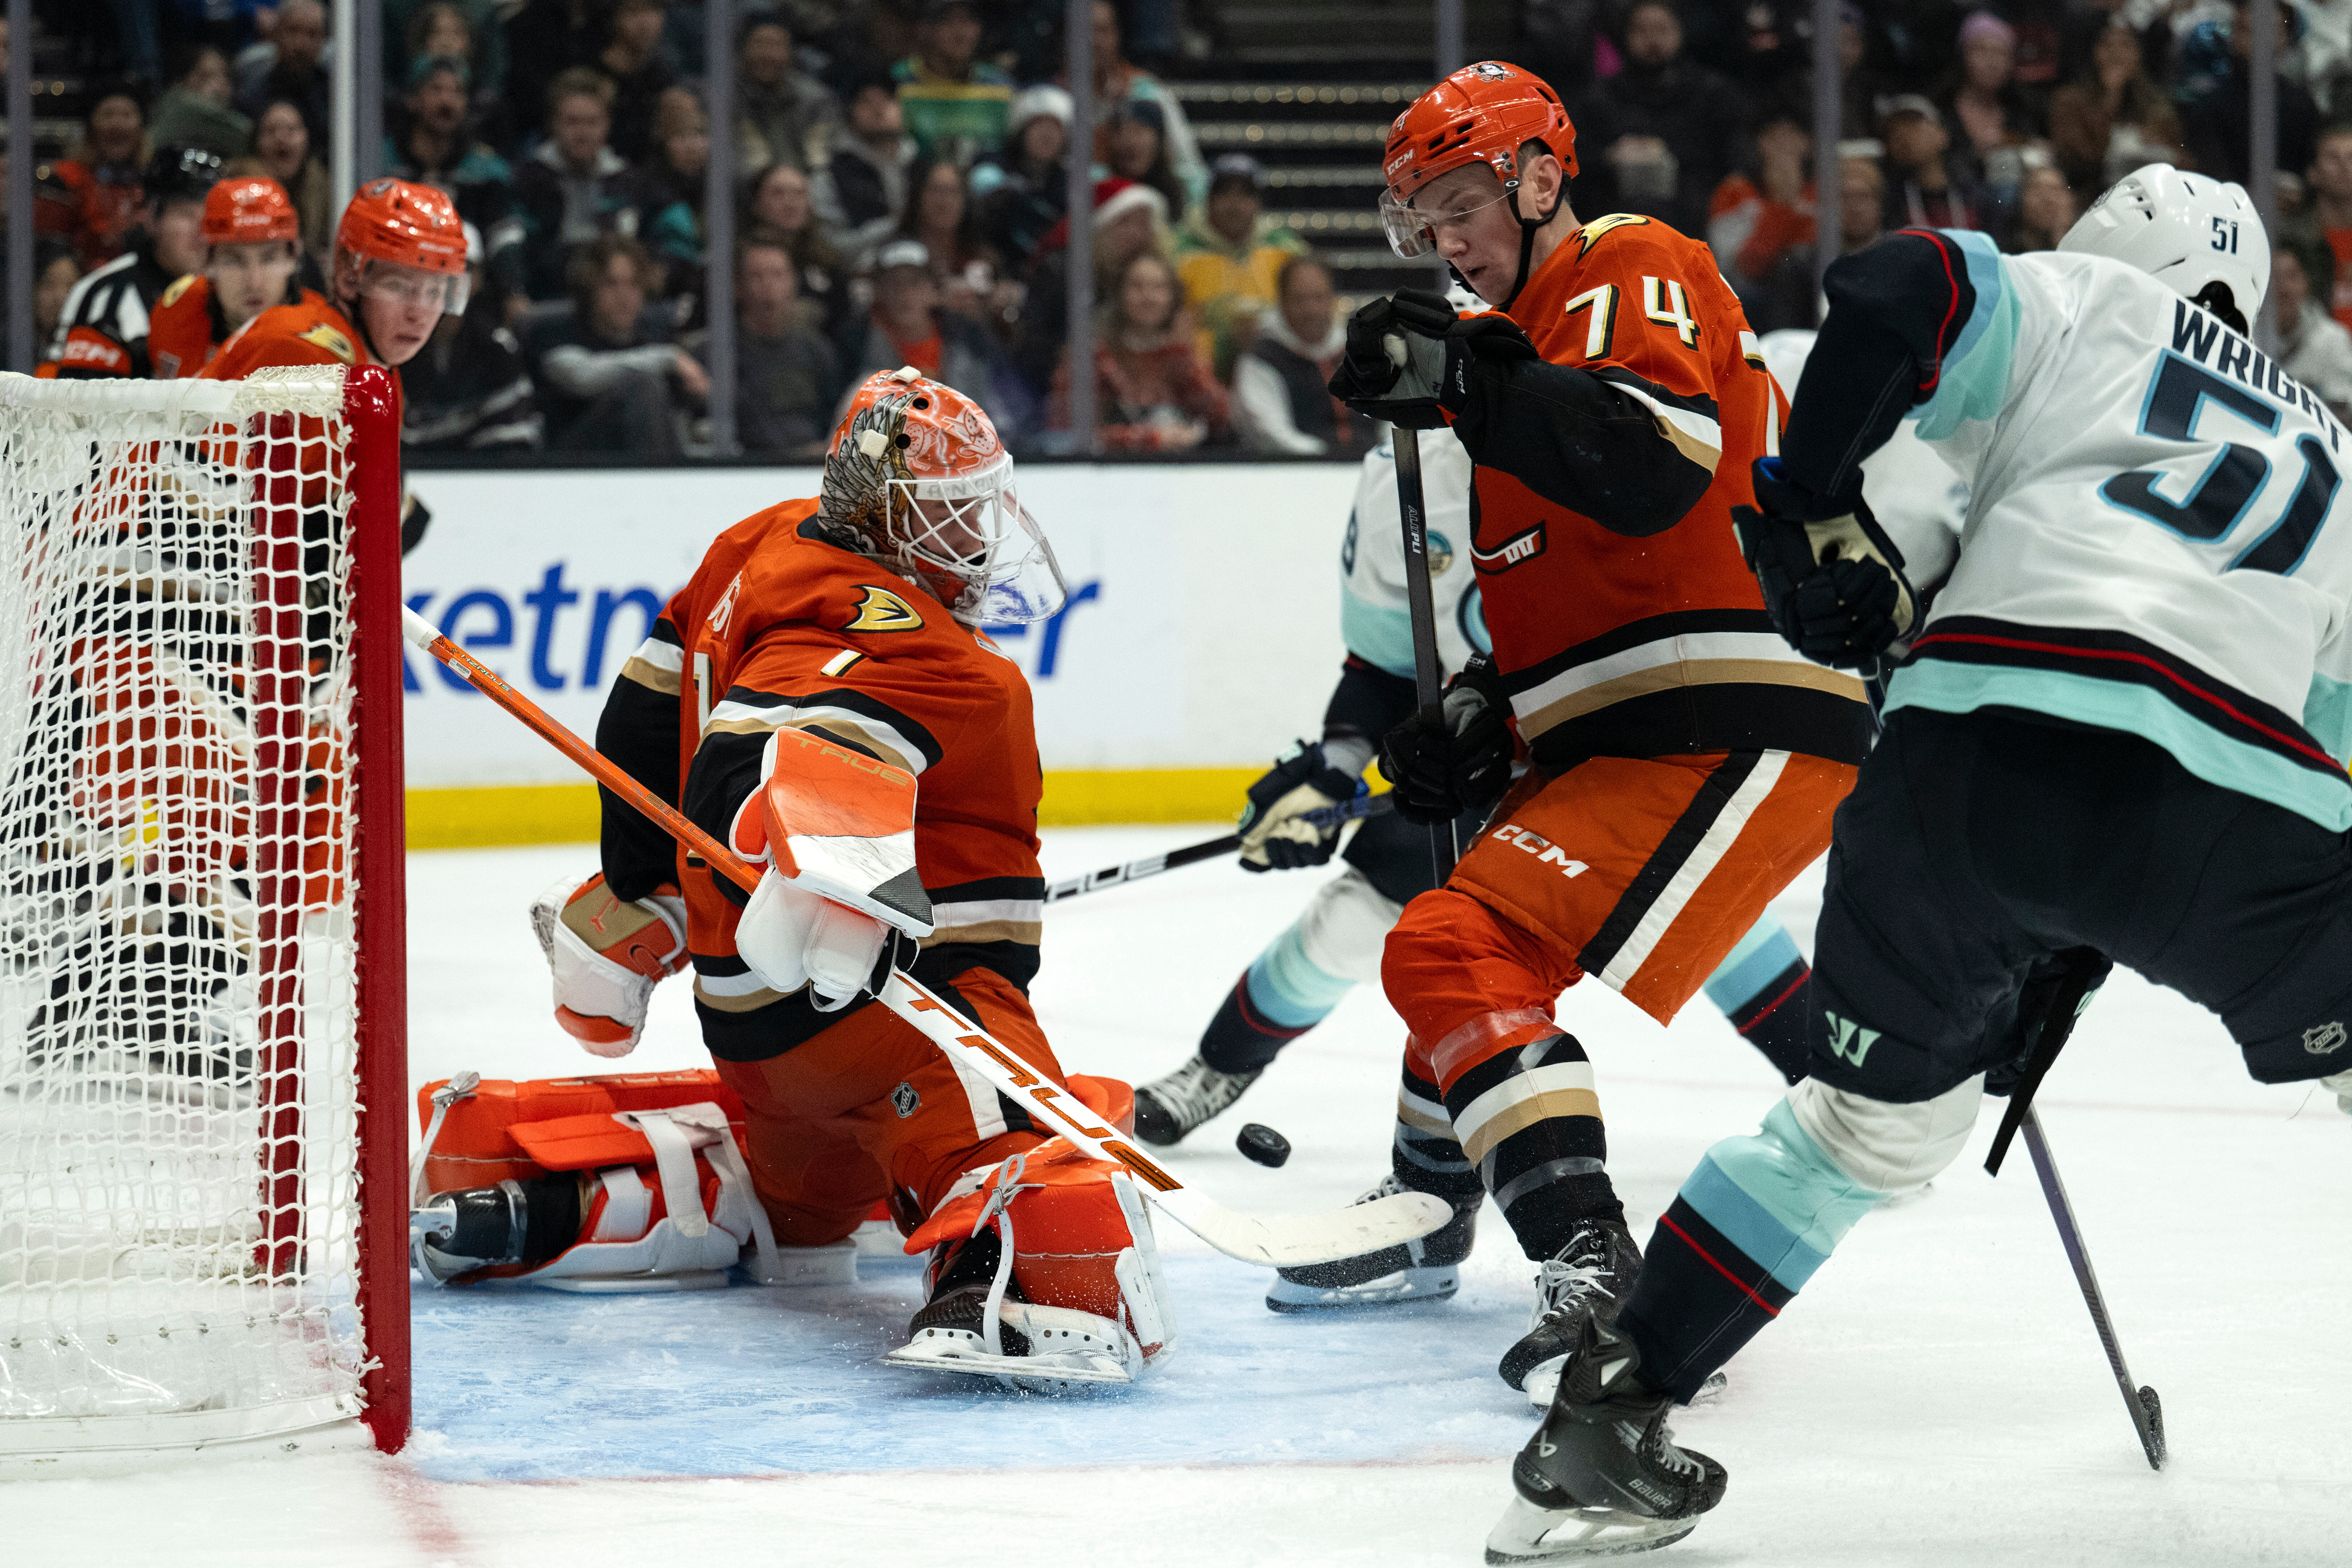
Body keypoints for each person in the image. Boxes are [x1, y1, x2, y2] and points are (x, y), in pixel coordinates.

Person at [1492, 163, 2352, 1560]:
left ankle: (1610, 1411)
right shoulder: (2336, 456)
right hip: (2217, 801)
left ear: (2100, 252)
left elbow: (1896, 289)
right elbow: (2328, 747)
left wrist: (1809, 500)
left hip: (1954, 773)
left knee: (1862, 1129)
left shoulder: (2076, 304)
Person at [1318, 62, 1872, 1412]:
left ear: (1538, 175)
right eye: (1418, 222)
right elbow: (1586, 597)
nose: (1442, 241)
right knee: (1456, 932)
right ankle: (1486, 1221)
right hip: (1635, 727)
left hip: (1735, 707)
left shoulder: (1629, 263)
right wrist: (1479, 717)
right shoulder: (1503, 388)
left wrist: (1468, 378)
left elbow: (1649, 466)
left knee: (1456, 936)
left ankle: (1565, 1255)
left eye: (1457, 202)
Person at [531, 366, 1171, 1387]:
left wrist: (642, 883)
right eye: (948, 514)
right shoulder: (928, 650)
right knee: (1056, 1167)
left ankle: (777, 1204)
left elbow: (643, 715)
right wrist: (833, 875)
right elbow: (763, 751)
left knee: (821, 1195)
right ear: (879, 514)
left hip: (757, 1043)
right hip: (897, 1017)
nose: (976, 537)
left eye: (978, 507)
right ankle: (1008, 1269)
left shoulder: (757, 541)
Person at [1571, 0, 1746, 240]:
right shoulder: (1600, 100)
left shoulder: (1712, 94)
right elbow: (1575, 160)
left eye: (1662, 30)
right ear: (1626, 36)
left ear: (1680, 32)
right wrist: (1609, 157)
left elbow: (1734, 159)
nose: (1652, 40)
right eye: (1642, 31)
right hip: (1617, 220)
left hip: (1695, 218)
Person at [46, 146, 219, 379]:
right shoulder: (103, 295)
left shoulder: (242, 288)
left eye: (212, 216)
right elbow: (74, 407)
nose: (202, 232)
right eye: (185, 215)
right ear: (150, 219)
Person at [527, 233, 705, 459]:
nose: (624, 296)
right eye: (611, 284)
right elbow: (582, 376)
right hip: (572, 465)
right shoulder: (556, 331)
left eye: (633, 285)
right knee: (642, 389)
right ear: (591, 287)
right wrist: (668, 358)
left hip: (641, 461)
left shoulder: (654, 339)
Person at [838, 239, 1027, 441]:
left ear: (933, 291)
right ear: (880, 291)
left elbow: (1005, 409)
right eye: (894, 283)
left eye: (915, 283)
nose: (905, 294)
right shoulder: (856, 344)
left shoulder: (969, 339)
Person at [1051, 248, 1225, 452]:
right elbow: (1069, 431)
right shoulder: (1090, 356)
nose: (1149, 297)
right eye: (1137, 287)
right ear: (1119, 295)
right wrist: (1150, 439)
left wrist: (1188, 361)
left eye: (1159, 288)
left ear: (1174, 298)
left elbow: (1219, 419)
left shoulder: (1182, 355)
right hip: (1106, 473)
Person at [385, 57, 525, 310]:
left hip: (473, 297)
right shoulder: (381, 163)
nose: (447, 102)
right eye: (436, 90)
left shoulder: (488, 171)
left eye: (457, 92)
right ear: (413, 99)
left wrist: (514, 292)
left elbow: (504, 236)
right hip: (396, 287)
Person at [146, 175, 318, 378]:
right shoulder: (174, 315)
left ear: (293, 259)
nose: (255, 283)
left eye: (269, 259)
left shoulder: (320, 342)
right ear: (209, 263)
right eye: (234, 261)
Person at [1011, 177, 1166, 401]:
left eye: (1143, 224)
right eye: (1125, 223)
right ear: (1100, 228)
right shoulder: (1062, 274)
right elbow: (1031, 349)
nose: (1137, 234)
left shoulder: (1150, 276)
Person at [687, 237, 838, 459]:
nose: (768, 287)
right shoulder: (712, 354)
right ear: (738, 287)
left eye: (777, 275)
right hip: (743, 471)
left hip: (812, 471)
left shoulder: (818, 351)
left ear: (793, 283)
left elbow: (836, 420)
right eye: (757, 276)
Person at [402, 221, 543, 453]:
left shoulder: (499, 351)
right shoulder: (393, 347)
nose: (448, 279)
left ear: (477, 278)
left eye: (462, 267)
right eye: (436, 266)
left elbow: (514, 447)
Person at [514, 69, 647, 302]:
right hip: (546, 297)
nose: (582, 133)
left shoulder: (628, 181)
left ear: (607, 125)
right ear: (554, 125)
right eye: (572, 122)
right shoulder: (529, 179)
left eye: (592, 123)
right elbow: (517, 248)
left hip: (614, 299)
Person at [1172, 153, 1308, 381]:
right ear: (1208, 200)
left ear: (1259, 203)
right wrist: (1228, 338)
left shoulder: (1288, 253)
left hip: (1280, 380)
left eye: (1246, 194)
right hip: (1202, 382)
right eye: (1225, 193)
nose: (1235, 205)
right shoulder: (1179, 255)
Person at [1229, 255, 1374, 458]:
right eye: (1299, 299)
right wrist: (1328, 458)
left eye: (1318, 298)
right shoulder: (1261, 360)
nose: (1310, 310)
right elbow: (1270, 432)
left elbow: (1391, 420)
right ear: (1282, 303)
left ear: (1332, 299)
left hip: (1372, 466)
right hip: (1298, 473)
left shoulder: (1362, 349)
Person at [1080, 0, 1205, 209]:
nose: (1096, 41)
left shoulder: (1149, 92)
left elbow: (1189, 168)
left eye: (1104, 31)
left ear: (1117, 35)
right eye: (1086, 32)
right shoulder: (1055, 99)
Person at [1706, 105, 1816, 333]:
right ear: (1760, 143)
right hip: (1755, 293)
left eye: (1792, 135)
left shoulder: (1824, 193)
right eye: (1775, 136)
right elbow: (1742, 268)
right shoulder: (1734, 193)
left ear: (1807, 143)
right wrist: (1783, 204)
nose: (1784, 144)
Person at [2046, 16, 2185, 193]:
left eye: (2126, 45)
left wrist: (2156, 146)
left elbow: (2184, 163)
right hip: (2088, 196)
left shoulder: (2157, 108)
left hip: (2150, 196)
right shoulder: (2069, 100)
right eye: (2108, 45)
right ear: (2096, 52)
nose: (2117, 53)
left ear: (2138, 54)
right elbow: (2072, 161)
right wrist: (2111, 98)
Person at [38, 83, 152, 271]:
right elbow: (49, 250)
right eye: (108, 115)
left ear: (141, 128)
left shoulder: (153, 181)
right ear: (91, 128)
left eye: (127, 115)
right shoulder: (65, 179)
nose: (118, 124)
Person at [892, 0, 1014, 167]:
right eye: (949, 22)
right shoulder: (899, 81)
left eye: (968, 22)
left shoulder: (1000, 88)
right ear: (927, 29)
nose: (962, 34)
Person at [815, 79, 919, 270]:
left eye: (886, 100)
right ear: (851, 114)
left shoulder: (921, 164)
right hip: (859, 273)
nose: (878, 109)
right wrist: (897, 225)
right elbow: (830, 245)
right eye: (867, 102)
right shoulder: (831, 174)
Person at [1940, 9, 2033, 222]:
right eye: (1982, 51)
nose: (1992, 62)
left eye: (2001, 54)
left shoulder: (2021, 112)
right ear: (1964, 55)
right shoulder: (1941, 110)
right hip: (1956, 211)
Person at [971, 86, 1071, 272]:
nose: (1047, 135)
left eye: (1055, 128)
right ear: (1022, 129)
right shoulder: (993, 165)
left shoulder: (1067, 185)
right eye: (1039, 125)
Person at [744, 162, 850, 336]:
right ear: (757, 203)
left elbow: (843, 328)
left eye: (799, 194)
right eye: (778, 194)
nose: (790, 204)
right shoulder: (737, 260)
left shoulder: (830, 263)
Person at [625, 88, 712, 300]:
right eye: (680, 136)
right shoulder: (644, 189)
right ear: (664, 142)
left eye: (700, 134)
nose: (692, 145)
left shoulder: (724, 189)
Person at [2256, 236, 2352, 423]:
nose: (2283, 288)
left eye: (2291, 277)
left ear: (2306, 284)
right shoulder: (2247, 336)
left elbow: (2345, 411)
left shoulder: (2333, 340)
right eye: (2275, 277)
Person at [734, 15, 839, 177]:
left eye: (776, 46)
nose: (768, 56)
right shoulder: (724, 98)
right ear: (743, 50)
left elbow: (821, 162)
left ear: (790, 54)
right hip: (745, 193)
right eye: (760, 44)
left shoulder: (815, 100)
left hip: (803, 191)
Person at [234, 0, 331, 147]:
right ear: (276, 33)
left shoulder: (335, 94)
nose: (301, 45)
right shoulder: (252, 89)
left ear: (324, 40)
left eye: (312, 34)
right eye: (293, 31)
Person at [1879, 94, 1982, 232]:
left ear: (1943, 134)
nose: (1904, 135)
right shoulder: (1888, 201)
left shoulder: (1974, 192)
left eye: (1913, 124)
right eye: (1893, 131)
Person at [253, 98, 333, 273]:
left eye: (291, 130)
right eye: (271, 131)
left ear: (306, 138)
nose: (281, 138)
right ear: (257, 143)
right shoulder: (241, 189)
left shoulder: (326, 187)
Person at [595, 0, 677, 166]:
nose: (645, 23)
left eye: (653, 10)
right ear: (615, 17)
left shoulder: (664, 78)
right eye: (633, 12)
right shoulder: (593, 77)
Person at [149, 43, 251, 160]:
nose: (220, 83)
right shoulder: (178, 102)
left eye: (225, 76)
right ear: (185, 79)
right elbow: (247, 134)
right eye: (207, 76)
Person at [2303, 123, 2352, 334]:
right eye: (2333, 157)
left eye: (2351, 157)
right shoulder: (2296, 240)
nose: (2344, 166)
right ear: (2313, 173)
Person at [2002, 160, 2077, 253]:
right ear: (2023, 200)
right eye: (2039, 193)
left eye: (2055, 192)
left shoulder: (2088, 249)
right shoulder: (2006, 254)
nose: (2049, 200)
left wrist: (2062, 237)